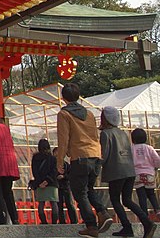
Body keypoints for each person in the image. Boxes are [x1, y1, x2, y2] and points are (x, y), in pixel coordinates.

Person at [56, 82, 113, 237]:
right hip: (95, 154)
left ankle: (91, 225)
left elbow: (63, 139)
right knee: (89, 188)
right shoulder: (88, 114)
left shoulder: (64, 114)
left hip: (79, 156)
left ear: (63, 98)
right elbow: (94, 135)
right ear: (78, 96)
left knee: (80, 192)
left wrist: (59, 161)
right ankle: (103, 213)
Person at [100, 106, 156, 238]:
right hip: (129, 170)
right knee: (127, 199)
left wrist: (97, 165)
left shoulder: (105, 134)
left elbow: (105, 154)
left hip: (116, 171)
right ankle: (147, 222)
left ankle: (127, 227)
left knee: (115, 199)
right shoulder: (123, 133)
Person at [132, 128, 160, 221]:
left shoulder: (132, 149)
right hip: (149, 174)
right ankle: (157, 209)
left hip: (137, 175)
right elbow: (157, 160)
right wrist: (155, 167)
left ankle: (144, 215)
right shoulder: (149, 148)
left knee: (141, 196)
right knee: (151, 194)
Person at [31, 138, 59, 224]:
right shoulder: (52, 158)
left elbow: (34, 170)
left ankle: (43, 221)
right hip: (52, 183)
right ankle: (54, 221)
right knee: (53, 203)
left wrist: (40, 182)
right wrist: (47, 181)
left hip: (40, 184)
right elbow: (54, 171)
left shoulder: (35, 158)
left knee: (41, 203)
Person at [55, 147, 78, 224]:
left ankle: (73, 220)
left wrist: (64, 176)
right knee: (59, 205)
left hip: (65, 186)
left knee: (69, 204)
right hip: (58, 186)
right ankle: (62, 221)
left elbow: (71, 175)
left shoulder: (66, 165)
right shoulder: (54, 165)